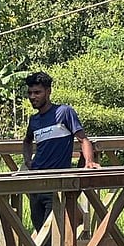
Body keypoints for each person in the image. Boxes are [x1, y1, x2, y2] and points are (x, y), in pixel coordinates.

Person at [21, 71, 100, 231]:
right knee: (39, 229)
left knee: (50, 233)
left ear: (48, 92)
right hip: (36, 183)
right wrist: (28, 161)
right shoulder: (34, 120)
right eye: (30, 93)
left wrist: (89, 161)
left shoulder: (64, 112)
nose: (32, 97)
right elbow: (27, 141)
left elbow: (83, 139)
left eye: (37, 92)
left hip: (56, 183)